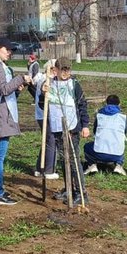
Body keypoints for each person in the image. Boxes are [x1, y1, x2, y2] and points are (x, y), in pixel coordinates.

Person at [0, 37, 29, 205]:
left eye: (10, 50)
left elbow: (4, 92)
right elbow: (3, 89)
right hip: (0, 117)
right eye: (6, 49)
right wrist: (21, 78)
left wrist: (17, 88)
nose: (9, 53)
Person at [39, 57, 90, 207]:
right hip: (56, 126)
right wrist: (43, 94)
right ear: (56, 70)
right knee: (63, 159)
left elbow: (82, 104)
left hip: (72, 126)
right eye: (63, 70)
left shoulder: (74, 85)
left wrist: (85, 125)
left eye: (68, 70)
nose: (66, 73)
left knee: (73, 160)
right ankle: (69, 189)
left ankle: (81, 193)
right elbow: (43, 106)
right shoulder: (49, 84)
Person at [84, 94, 127, 175]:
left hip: (98, 153)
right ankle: (118, 165)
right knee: (121, 143)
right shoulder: (123, 117)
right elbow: (124, 132)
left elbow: (95, 131)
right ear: (119, 104)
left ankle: (92, 165)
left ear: (106, 103)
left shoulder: (99, 115)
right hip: (117, 154)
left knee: (87, 146)